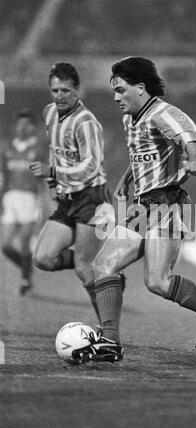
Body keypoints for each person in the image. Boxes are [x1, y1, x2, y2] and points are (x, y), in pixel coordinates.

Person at [71, 56, 196, 364]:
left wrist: (194, 158)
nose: (116, 97)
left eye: (121, 90)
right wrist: (128, 177)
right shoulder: (130, 119)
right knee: (102, 266)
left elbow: (192, 138)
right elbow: (142, 155)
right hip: (142, 205)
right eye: (114, 91)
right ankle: (110, 342)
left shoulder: (163, 112)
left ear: (141, 88)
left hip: (169, 203)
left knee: (158, 281)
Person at [29, 62, 124, 324]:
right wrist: (53, 185)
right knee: (44, 258)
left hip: (91, 199)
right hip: (68, 198)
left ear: (77, 91)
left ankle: (109, 332)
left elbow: (91, 166)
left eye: (65, 91)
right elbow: (55, 149)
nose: (59, 96)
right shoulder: (49, 113)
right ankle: (109, 274)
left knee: (84, 268)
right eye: (55, 90)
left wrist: (54, 173)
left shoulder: (86, 123)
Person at [0, 108, 46, 295]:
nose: (22, 128)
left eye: (26, 125)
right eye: (19, 124)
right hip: (11, 198)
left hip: (30, 198)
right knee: (6, 245)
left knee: (26, 242)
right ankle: (26, 269)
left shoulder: (38, 149)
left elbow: (44, 178)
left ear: (33, 128)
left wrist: (44, 202)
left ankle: (25, 279)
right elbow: (2, 175)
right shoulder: (7, 148)